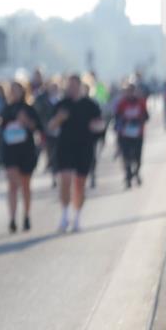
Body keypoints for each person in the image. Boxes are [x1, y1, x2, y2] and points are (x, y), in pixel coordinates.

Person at [48, 74, 105, 232]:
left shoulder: (90, 105)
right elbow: (50, 127)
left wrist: (96, 126)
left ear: (80, 86)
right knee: (65, 181)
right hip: (65, 147)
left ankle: (77, 217)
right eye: (69, 85)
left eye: (74, 85)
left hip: (84, 147)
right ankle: (65, 215)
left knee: (80, 183)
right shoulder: (62, 105)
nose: (71, 88)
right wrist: (59, 119)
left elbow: (101, 125)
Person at [0, 81, 43, 232]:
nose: (14, 93)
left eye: (17, 90)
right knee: (12, 184)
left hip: (26, 150)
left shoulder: (29, 109)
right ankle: (12, 218)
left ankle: (26, 215)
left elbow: (38, 127)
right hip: (10, 151)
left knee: (25, 185)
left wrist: (27, 122)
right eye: (12, 90)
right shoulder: (6, 109)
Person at [114, 80, 149, 188]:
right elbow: (117, 118)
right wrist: (124, 121)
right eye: (128, 91)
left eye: (132, 91)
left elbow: (147, 116)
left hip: (138, 134)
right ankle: (128, 176)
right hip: (125, 135)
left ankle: (137, 173)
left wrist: (138, 120)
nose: (130, 93)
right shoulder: (121, 103)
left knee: (137, 158)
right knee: (126, 157)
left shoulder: (141, 102)